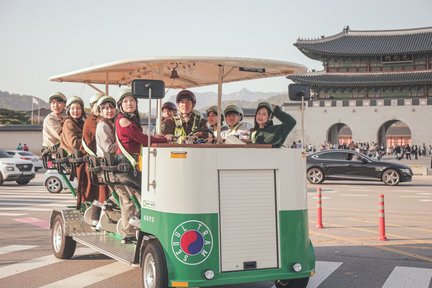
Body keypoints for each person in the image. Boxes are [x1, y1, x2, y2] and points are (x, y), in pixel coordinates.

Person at [115, 89, 167, 240]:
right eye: (125, 101)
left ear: (136, 104)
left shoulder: (127, 119)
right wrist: (163, 139)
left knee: (128, 200)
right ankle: (136, 223)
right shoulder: (123, 120)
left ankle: (128, 232)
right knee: (147, 196)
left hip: (124, 165)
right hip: (126, 165)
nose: (129, 103)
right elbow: (142, 139)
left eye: (132, 100)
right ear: (121, 105)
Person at [81, 93, 106, 229]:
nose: (99, 107)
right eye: (97, 105)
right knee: (104, 189)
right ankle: (98, 220)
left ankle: (97, 219)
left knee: (102, 190)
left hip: (99, 160)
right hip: (96, 161)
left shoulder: (99, 120)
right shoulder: (93, 121)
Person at [59, 96, 86, 209]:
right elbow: (74, 143)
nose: (76, 111)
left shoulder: (82, 122)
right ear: (68, 110)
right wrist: (88, 140)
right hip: (73, 159)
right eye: (73, 108)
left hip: (80, 156)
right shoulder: (69, 123)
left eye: (78, 108)